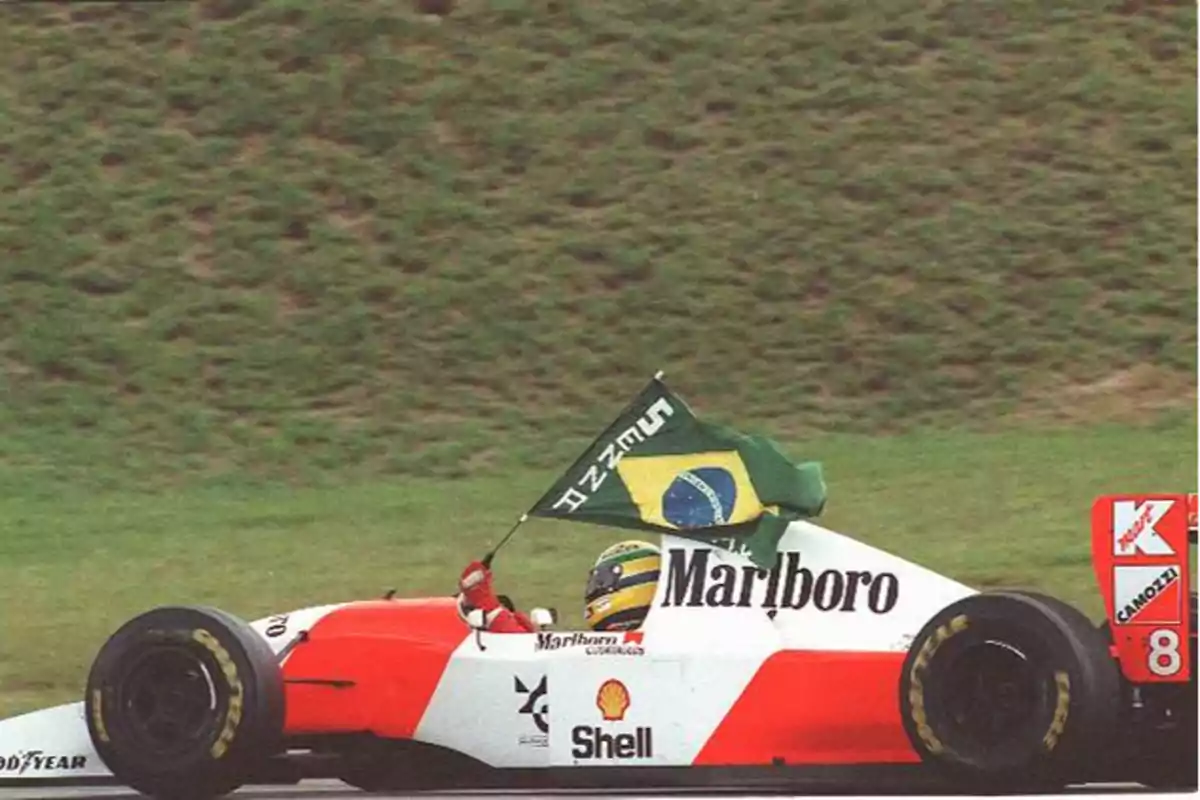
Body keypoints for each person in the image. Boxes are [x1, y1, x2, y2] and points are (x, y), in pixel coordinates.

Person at [455, 539, 662, 634]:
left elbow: (541, 671)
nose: (594, 589)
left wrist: (489, 607)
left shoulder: (632, 654)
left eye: (602, 581)